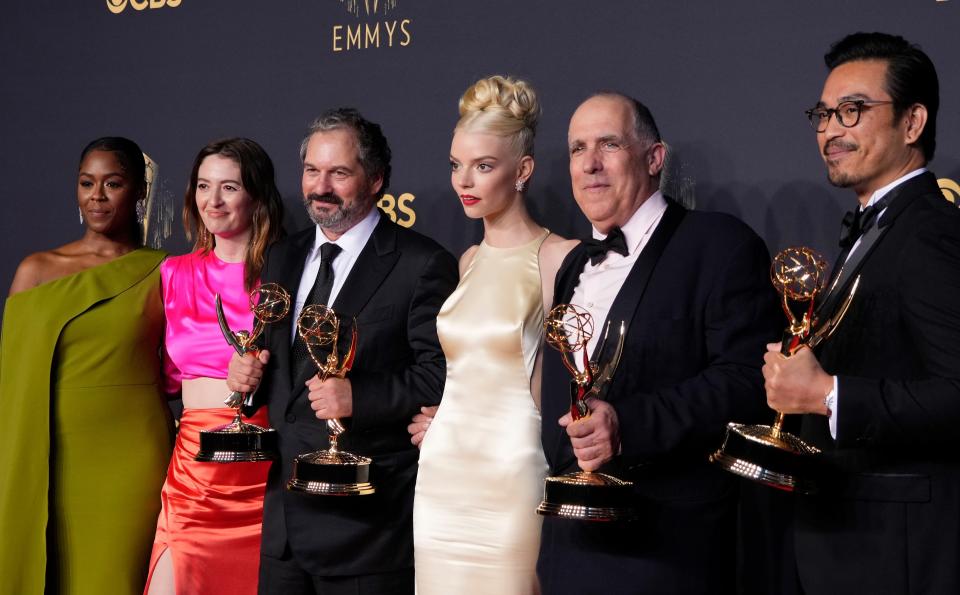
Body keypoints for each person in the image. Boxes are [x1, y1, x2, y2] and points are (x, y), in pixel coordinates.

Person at [535, 93, 781, 594]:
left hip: (666, 547)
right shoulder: (573, 265)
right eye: (577, 149)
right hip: (570, 547)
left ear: (654, 158)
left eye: (609, 144)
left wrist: (627, 424)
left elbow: (748, 382)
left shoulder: (718, 245)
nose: (590, 164)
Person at [227, 108, 458, 595]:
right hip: (285, 531)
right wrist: (246, 379)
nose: (320, 186)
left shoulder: (420, 263)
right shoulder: (280, 256)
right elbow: (276, 372)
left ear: (375, 180)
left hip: (366, 531)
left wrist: (360, 397)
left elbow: (441, 374)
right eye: (312, 171)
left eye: (339, 173)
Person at [762, 32, 960, 594]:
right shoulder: (876, 227)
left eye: (852, 111)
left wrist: (826, 394)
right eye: (823, 114)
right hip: (852, 542)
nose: (830, 130)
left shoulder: (931, 233)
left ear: (913, 122)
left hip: (898, 551)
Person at [411, 75, 578, 595]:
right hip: (442, 474)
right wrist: (446, 415)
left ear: (523, 170)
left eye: (484, 166)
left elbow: (561, 383)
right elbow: (468, 368)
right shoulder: (468, 260)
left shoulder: (557, 257)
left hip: (514, 471)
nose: (466, 180)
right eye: (457, 165)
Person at [0, 137, 174, 595]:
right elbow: (12, 383)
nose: (96, 196)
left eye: (112, 183)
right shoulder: (35, 271)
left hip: (130, 459)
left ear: (139, 192)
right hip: (45, 454)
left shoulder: (167, 272)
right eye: (86, 183)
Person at [144, 138, 286, 595]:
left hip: (265, 468)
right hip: (194, 467)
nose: (213, 201)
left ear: (256, 196)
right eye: (204, 186)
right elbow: (163, 375)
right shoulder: (173, 274)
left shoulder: (288, 275)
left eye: (229, 187)